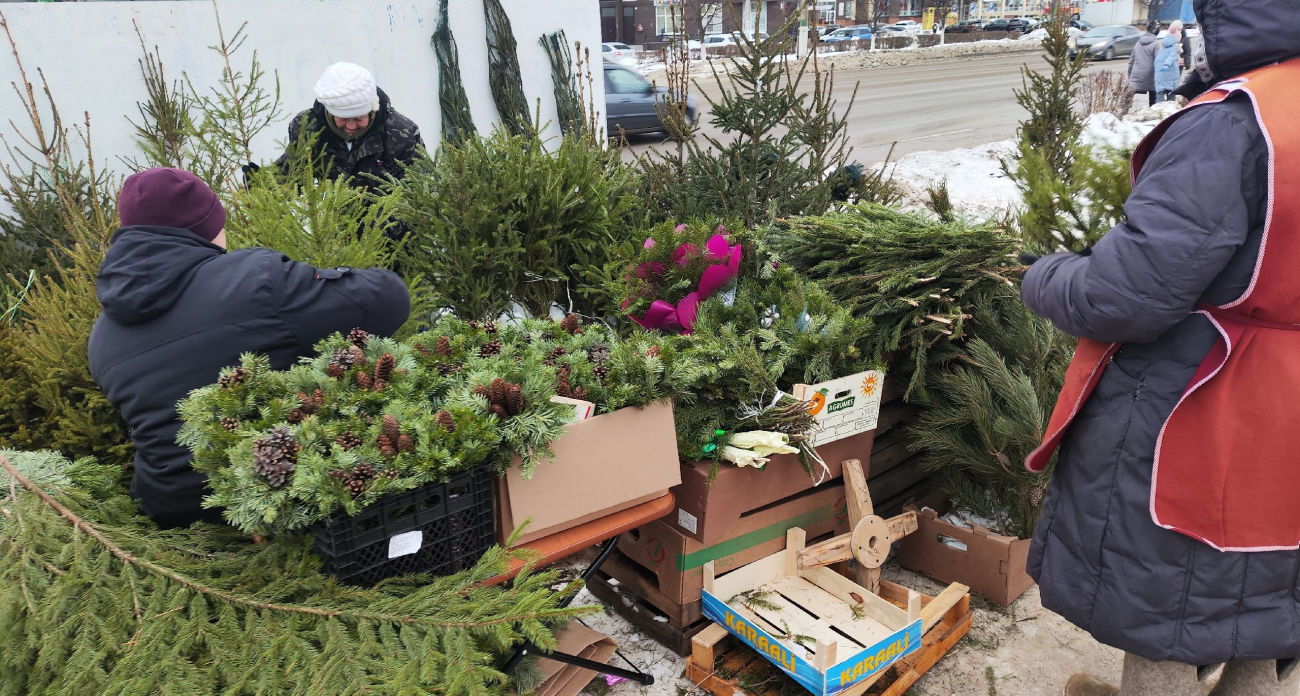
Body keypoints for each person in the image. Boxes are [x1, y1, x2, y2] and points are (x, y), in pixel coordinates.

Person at [1020, 0, 1300, 694]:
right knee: (1270, 598)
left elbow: (1127, 296)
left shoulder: (1237, 121)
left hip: (1207, 400)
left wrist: (1044, 274)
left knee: (1173, 600)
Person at [88, 168, 410, 529]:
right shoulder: (257, 278)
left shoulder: (101, 337)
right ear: (208, 227)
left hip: (169, 518)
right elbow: (388, 298)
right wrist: (327, 276)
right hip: (277, 503)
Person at [274, 62, 425, 195]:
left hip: (387, 216)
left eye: (359, 118)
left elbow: (415, 193)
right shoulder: (307, 128)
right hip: (332, 215)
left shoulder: (401, 133)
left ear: (372, 109)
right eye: (343, 119)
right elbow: (288, 175)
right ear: (330, 113)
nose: (351, 126)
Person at [1127, 20, 1162, 106]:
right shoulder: (1155, 44)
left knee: (1129, 95)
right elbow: (1158, 61)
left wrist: (1129, 73)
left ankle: (1124, 109)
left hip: (1136, 73)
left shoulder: (1138, 43)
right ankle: (1152, 109)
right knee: (1153, 97)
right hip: (1150, 74)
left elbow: (1132, 60)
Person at [1152, 24, 1182, 102]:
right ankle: (1170, 108)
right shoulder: (1175, 49)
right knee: (1171, 97)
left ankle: (1158, 107)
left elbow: (1155, 62)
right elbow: (1171, 57)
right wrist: (1166, 65)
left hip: (1160, 77)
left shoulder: (1162, 50)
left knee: (1160, 95)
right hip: (1171, 77)